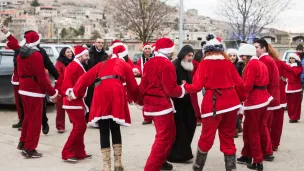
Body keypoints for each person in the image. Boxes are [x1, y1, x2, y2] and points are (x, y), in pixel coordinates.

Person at [67, 41, 139, 171]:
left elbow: (85, 78)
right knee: (115, 128)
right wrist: (137, 100)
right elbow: (133, 85)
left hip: (101, 92)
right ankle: (118, 163)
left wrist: (75, 91)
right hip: (116, 91)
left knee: (104, 129)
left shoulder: (101, 64)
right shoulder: (124, 64)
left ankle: (106, 166)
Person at [184, 34, 244, 171]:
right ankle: (231, 168)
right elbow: (240, 84)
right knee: (228, 137)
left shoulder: (205, 64)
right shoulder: (228, 63)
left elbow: (197, 87)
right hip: (231, 104)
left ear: (207, 51)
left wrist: (185, 86)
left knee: (206, 137)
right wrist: (241, 100)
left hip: (213, 105)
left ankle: (198, 167)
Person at [138, 37, 185, 171]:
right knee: (164, 137)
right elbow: (170, 89)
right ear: (169, 51)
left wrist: (141, 101)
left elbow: (143, 84)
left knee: (169, 133)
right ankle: (151, 167)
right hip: (161, 105)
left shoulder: (149, 63)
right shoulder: (167, 64)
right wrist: (183, 90)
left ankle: (162, 161)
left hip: (150, 103)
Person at [1, 26, 59, 134]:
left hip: (37, 83)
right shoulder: (21, 50)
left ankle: (44, 122)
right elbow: (13, 43)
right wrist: (6, 32)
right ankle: (23, 123)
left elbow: (49, 65)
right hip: (23, 82)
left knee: (40, 105)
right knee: (23, 106)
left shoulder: (40, 52)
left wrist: (58, 78)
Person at [16, 30, 58, 158]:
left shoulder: (20, 54)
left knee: (27, 117)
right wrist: (53, 93)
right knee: (35, 120)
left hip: (23, 88)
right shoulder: (36, 55)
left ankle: (23, 142)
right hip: (34, 91)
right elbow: (41, 78)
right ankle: (29, 148)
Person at [237, 44, 272, 171]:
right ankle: (246, 154)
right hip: (263, 99)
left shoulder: (251, 65)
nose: (241, 58)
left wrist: (238, 94)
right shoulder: (261, 63)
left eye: (242, 56)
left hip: (254, 102)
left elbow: (247, 86)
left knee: (253, 131)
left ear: (246, 55)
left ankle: (257, 160)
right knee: (248, 129)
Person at [167, 45, 199, 163]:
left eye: (192, 55)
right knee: (179, 129)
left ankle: (184, 151)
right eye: (189, 55)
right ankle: (177, 155)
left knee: (191, 123)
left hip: (186, 101)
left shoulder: (188, 66)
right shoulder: (174, 65)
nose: (191, 58)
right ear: (183, 54)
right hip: (176, 102)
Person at [61, 46, 91, 162]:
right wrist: (69, 91)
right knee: (80, 126)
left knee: (79, 126)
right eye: (86, 56)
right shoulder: (73, 67)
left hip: (77, 100)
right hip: (72, 101)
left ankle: (79, 152)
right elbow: (67, 82)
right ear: (79, 56)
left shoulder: (78, 66)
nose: (87, 58)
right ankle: (66, 152)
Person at [254, 38, 280, 161]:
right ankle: (267, 151)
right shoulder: (267, 59)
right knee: (265, 126)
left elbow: (264, 81)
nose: (255, 50)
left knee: (263, 126)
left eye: (256, 47)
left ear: (264, 48)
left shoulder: (264, 60)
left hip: (267, 98)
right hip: (270, 98)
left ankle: (267, 151)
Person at [268, 45, 289, 151]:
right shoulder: (280, 63)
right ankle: (274, 144)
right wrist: (283, 78)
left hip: (270, 97)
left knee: (267, 123)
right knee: (277, 123)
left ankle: (269, 144)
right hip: (279, 97)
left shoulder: (263, 63)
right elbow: (291, 72)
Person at [85, 38, 108, 125]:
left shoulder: (105, 54)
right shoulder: (89, 53)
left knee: (98, 99)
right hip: (90, 80)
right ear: (94, 43)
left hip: (100, 80)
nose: (100, 44)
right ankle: (89, 118)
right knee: (90, 99)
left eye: (102, 43)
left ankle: (97, 118)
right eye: (98, 42)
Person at [54, 47, 75, 133]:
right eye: (68, 52)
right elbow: (57, 75)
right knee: (60, 108)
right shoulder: (59, 63)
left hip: (71, 88)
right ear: (63, 53)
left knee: (72, 106)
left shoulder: (74, 62)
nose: (70, 54)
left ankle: (75, 123)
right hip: (61, 88)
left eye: (71, 52)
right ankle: (60, 126)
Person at [227, 48, 244, 138]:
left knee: (236, 110)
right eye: (230, 55)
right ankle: (237, 128)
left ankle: (236, 130)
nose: (232, 57)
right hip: (229, 90)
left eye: (234, 55)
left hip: (237, 90)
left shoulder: (239, 66)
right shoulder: (226, 65)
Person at [136, 43, 154, 125]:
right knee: (145, 99)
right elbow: (139, 68)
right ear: (143, 50)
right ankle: (147, 118)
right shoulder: (140, 60)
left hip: (154, 81)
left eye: (148, 49)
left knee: (154, 99)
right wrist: (137, 71)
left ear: (151, 50)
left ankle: (155, 116)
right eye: (146, 49)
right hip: (144, 81)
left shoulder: (155, 58)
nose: (147, 50)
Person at [285, 53, 303, 123]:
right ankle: (291, 116)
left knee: (295, 104)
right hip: (288, 87)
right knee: (289, 104)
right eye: (290, 58)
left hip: (296, 88)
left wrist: (290, 67)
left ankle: (294, 117)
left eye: (292, 58)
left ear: (296, 59)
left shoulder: (299, 67)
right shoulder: (289, 66)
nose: (291, 60)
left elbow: (296, 73)